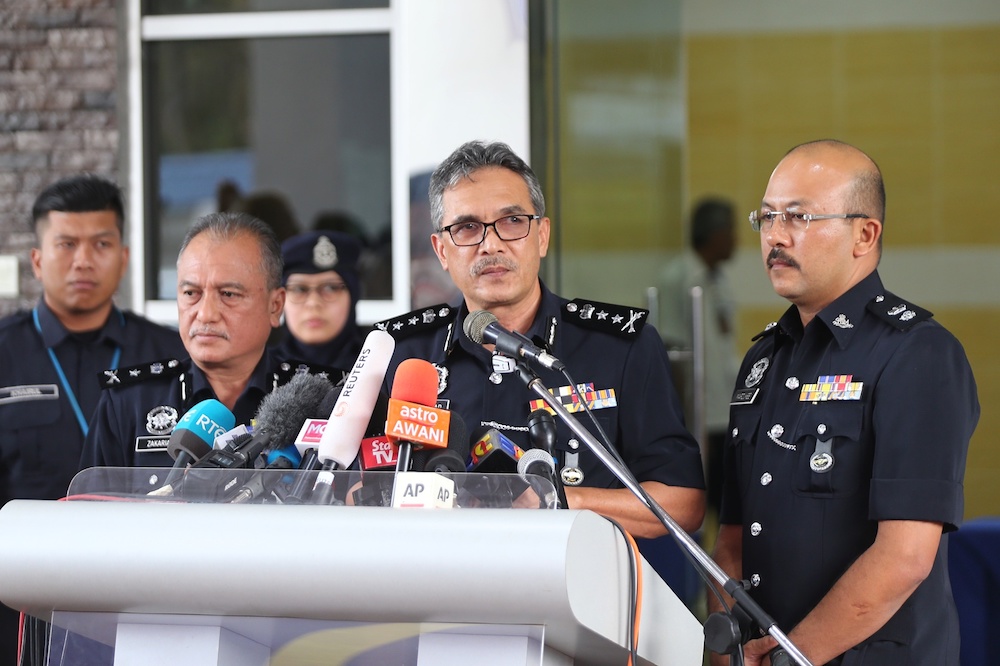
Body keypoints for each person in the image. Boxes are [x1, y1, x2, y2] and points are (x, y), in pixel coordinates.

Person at [710, 140, 978, 665]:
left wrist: (791, 655)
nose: (776, 236)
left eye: (800, 217)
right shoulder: (765, 359)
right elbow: (735, 536)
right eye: (766, 217)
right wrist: (725, 639)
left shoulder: (917, 352)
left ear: (865, 234)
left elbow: (904, 556)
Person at [376, 140, 705, 538]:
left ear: (542, 235)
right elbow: (356, 490)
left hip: (575, 589)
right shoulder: (400, 354)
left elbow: (682, 504)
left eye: (512, 221)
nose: (491, 244)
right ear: (442, 251)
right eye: (467, 228)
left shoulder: (621, 348)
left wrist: (560, 497)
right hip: (441, 589)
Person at [0, 174, 185, 663]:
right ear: (37, 261)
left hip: (142, 602)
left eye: (101, 244)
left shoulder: (170, 354)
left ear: (123, 258)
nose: (84, 259)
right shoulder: (4, 352)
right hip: (18, 602)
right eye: (66, 244)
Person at [80, 211, 297, 468]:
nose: (205, 314)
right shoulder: (128, 402)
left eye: (228, 294)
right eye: (191, 293)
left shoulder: (319, 403)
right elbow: (91, 506)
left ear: (275, 306)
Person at [659, 197, 740, 515]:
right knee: (698, 500)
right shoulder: (679, 277)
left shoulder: (718, 279)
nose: (735, 240)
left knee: (724, 499)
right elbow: (671, 347)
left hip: (722, 406)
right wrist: (680, 417)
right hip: (696, 410)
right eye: (731, 231)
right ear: (714, 233)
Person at [274, 230, 364, 371]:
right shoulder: (256, 374)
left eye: (330, 288)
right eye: (299, 289)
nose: (313, 303)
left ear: (353, 296)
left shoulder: (384, 370)